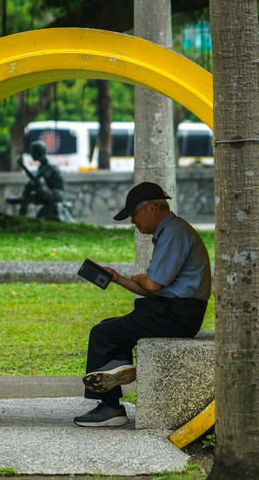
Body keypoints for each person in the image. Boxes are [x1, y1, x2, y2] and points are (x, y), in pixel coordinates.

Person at [73, 181, 212, 427]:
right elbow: (151, 290)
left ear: (150, 208)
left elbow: (152, 285)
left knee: (103, 333)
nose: (132, 222)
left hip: (177, 315)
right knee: (110, 328)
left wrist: (142, 279)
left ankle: (110, 408)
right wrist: (117, 278)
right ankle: (118, 370)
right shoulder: (170, 232)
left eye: (134, 215)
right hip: (170, 309)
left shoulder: (174, 233)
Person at [6, 140, 70, 221]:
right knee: (27, 198)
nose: (31, 154)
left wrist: (23, 166)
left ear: (39, 153)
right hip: (51, 192)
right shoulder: (43, 165)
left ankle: (22, 199)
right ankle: (21, 218)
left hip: (56, 194)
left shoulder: (49, 166)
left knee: (32, 184)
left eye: (33, 152)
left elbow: (35, 179)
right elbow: (36, 178)